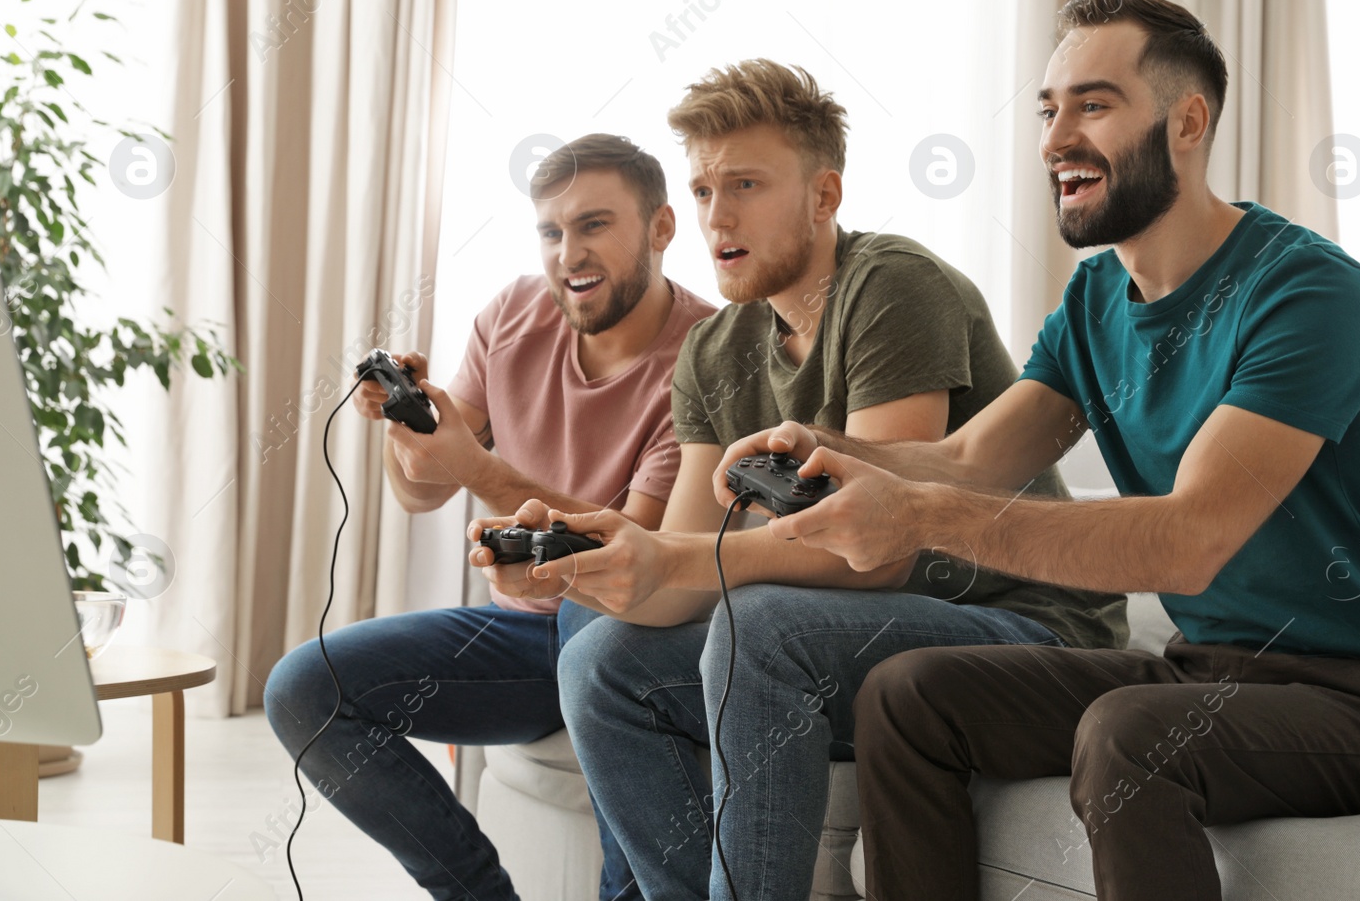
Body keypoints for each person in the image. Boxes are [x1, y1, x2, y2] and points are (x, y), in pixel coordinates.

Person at [716, 0, 1360, 901]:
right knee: (905, 695)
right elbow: (974, 461)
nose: (1056, 138)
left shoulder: (1307, 293)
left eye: (1092, 104)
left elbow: (1190, 539)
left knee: (1131, 732)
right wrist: (817, 445)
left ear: (1188, 120)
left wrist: (920, 516)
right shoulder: (1097, 299)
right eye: (1048, 110)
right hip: (1204, 668)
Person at [474, 59, 1128, 901]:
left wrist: (674, 564)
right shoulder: (712, 352)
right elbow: (681, 560)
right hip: (869, 643)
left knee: (767, 624)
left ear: (824, 196)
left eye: (745, 183)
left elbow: (879, 555)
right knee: (598, 657)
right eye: (704, 190)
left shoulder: (891, 286)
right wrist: (577, 564)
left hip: (1024, 627)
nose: (718, 215)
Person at [264, 133, 716, 901]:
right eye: (551, 230)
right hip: (518, 630)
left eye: (595, 224)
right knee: (304, 689)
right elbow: (422, 493)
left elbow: (639, 556)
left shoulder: (705, 357)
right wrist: (407, 433)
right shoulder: (513, 312)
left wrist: (477, 468)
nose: (568, 253)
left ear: (662, 228)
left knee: (592, 616)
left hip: (633, 633)